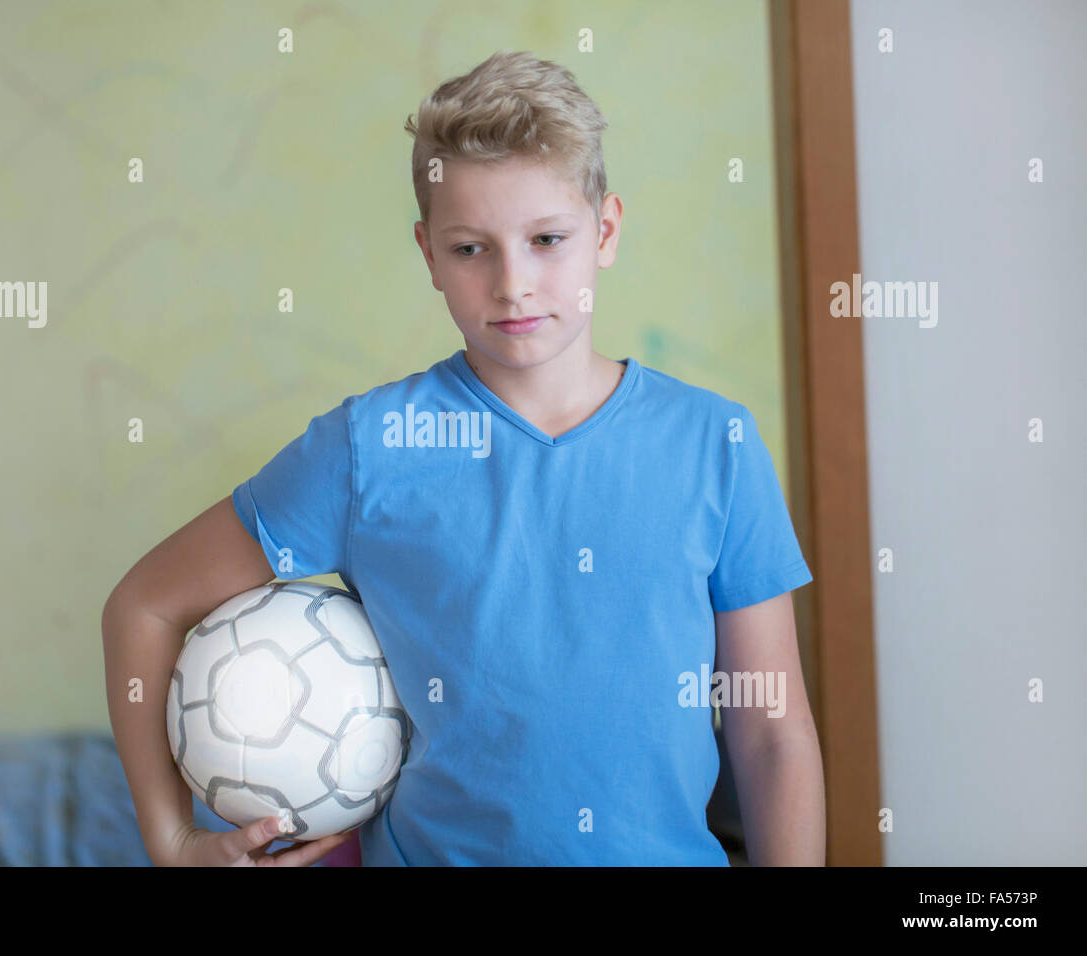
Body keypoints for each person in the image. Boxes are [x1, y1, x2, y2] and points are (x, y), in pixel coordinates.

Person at [102, 49, 824, 866]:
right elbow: (144, 607)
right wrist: (171, 841)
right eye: (471, 249)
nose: (513, 284)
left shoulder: (714, 448)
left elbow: (773, 737)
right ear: (428, 253)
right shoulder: (366, 451)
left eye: (548, 239)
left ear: (607, 231)